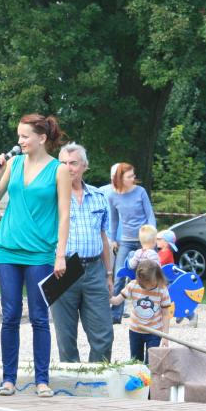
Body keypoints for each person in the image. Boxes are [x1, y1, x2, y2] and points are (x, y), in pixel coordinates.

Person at [0, 113, 70, 398]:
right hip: (8, 248)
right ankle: (8, 379)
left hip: (40, 252)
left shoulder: (59, 170)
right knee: (10, 316)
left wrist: (60, 255)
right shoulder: (14, 163)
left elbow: (64, 215)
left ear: (41, 138)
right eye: (19, 136)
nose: (19, 141)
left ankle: (41, 380)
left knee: (39, 317)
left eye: (25, 136)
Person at [50, 142, 114, 364]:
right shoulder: (51, 197)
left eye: (73, 163)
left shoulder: (98, 196)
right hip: (62, 268)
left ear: (84, 166)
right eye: (63, 163)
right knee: (65, 337)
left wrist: (109, 274)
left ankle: (97, 378)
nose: (68, 168)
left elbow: (104, 237)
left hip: (94, 268)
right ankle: (72, 381)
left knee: (104, 334)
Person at [107, 163, 156, 323]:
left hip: (144, 241)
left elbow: (150, 214)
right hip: (126, 241)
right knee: (119, 276)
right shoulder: (113, 196)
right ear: (120, 178)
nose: (133, 178)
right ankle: (115, 315)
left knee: (149, 276)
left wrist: (151, 236)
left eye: (133, 175)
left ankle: (153, 312)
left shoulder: (140, 191)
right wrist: (113, 239)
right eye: (129, 176)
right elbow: (114, 219)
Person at [110, 260, 171, 364]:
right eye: (143, 284)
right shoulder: (133, 285)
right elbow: (116, 301)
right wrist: (107, 297)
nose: (147, 287)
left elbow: (165, 314)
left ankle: (149, 375)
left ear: (158, 277)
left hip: (154, 332)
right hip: (135, 330)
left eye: (151, 283)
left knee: (151, 362)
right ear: (139, 279)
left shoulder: (162, 289)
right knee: (135, 361)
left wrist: (165, 337)